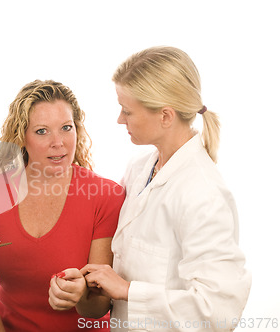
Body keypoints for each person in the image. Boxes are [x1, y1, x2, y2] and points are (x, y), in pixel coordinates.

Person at [71, 46, 251, 331]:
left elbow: (217, 311)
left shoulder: (203, 194)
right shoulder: (140, 168)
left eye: (127, 111)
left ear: (166, 116)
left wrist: (128, 290)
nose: (120, 119)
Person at [0, 79, 125, 332]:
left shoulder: (107, 195)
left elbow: (97, 308)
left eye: (66, 128)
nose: (58, 142)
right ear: (22, 137)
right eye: (42, 131)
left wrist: (82, 293)